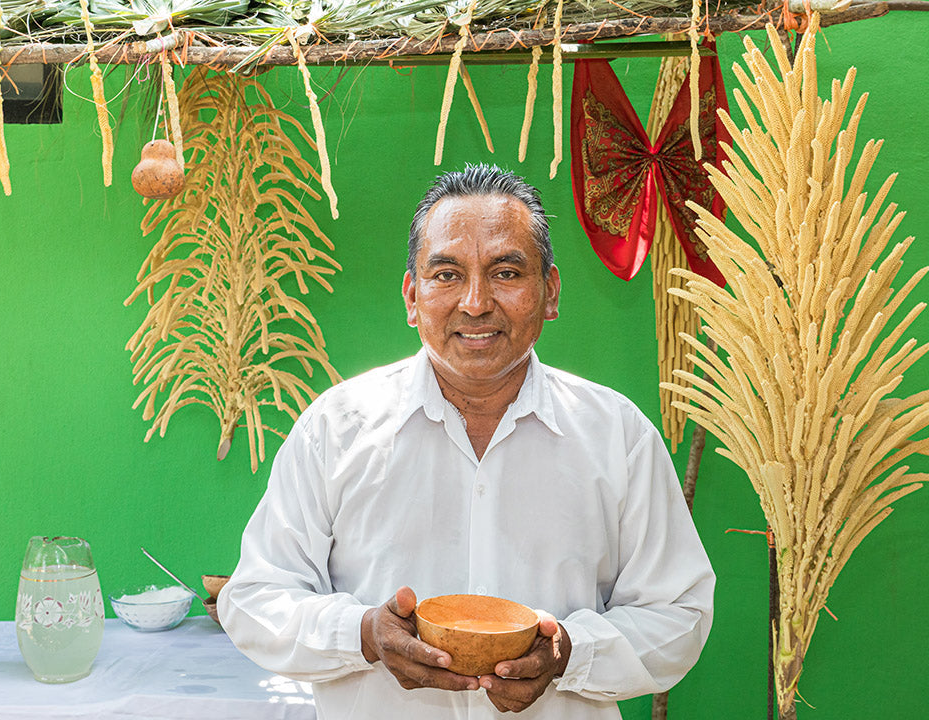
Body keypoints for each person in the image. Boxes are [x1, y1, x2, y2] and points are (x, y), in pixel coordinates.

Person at [218, 164, 715, 719]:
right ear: (412, 296)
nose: (475, 303)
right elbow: (255, 599)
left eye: (506, 272)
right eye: (447, 274)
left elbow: (680, 613)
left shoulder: (617, 436)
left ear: (549, 292)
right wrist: (362, 635)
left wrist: (571, 653)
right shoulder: (336, 428)